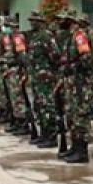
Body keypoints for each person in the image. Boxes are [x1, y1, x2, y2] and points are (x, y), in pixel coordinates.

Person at [57, 9, 93, 163]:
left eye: (63, 20)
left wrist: (74, 67)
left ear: (71, 20)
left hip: (79, 84)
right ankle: (75, 147)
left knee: (80, 116)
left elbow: (86, 57)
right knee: (71, 115)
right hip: (71, 83)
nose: (60, 22)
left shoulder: (79, 36)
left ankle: (82, 151)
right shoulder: (70, 36)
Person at [26, 9, 60, 147]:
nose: (31, 23)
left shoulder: (46, 36)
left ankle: (51, 136)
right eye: (31, 20)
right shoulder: (35, 37)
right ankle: (43, 134)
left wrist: (49, 72)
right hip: (37, 78)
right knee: (39, 106)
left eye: (34, 20)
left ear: (40, 22)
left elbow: (55, 56)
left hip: (46, 78)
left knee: (47, 106)